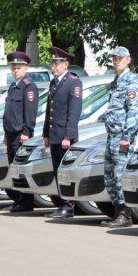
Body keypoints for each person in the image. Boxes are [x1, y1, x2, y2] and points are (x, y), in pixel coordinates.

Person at [100, 46, 138, 228]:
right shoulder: (116, 81)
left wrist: (127, 136)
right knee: (108, 175)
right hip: (112, 135)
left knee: (119, 175)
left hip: (123, 137)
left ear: (128, 60)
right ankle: (118, 211)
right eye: (114, 58)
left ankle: (125, 214)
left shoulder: (131, 82)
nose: (116, 61)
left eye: (120, 58)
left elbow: (133, 111)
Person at [43, 46, 83, 220]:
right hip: (54, 134)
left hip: (65, 136)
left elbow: (74, 111)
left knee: (66, 172)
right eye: (52, 62)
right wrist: (46, 133)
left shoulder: (73, 82)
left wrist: (68, 135)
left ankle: (69, 206)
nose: (53, 66)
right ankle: (62, 204)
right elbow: (49, 110)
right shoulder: (54, 82)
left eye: (57, 63)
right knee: (58, 172)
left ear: (65, 64)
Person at [2, 51, 38, 213]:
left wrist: (26, 131)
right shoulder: (13, 86)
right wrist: (5, 134)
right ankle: (18, 199)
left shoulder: (28, 87)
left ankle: (26, 202)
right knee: (14, 169)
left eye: (19, 68)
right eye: (14, 68)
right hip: (11, 134)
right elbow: (9, 113)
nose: (16, 70)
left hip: (20, 134)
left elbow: (30, 112)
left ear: (26, 68)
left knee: (21, 169)